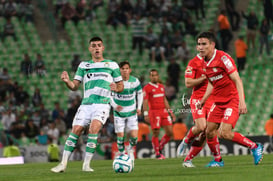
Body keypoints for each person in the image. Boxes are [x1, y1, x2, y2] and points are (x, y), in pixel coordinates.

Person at [51, 36, 124, 173]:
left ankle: (86, 165)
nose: (96, 48)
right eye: (94, 45)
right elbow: (74, 86)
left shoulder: (112, 65)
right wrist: (67, 81)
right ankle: (63, 164)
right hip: (86, 104)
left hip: (102, 104)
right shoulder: (84, 65)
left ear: (103, 48)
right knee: (76, 130)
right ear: (90, 49)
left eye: (99, 45)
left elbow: (121, 86)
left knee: (93, 129)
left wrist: (116, 88)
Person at [196, 31, 263, 166]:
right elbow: (211, 82)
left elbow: (237, 79)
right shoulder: (203, 62)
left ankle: (255, 147)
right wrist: (203, 100)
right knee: (209, 131)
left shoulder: (223, 58)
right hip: (218, 101)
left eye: (204, 44)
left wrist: (241, 102)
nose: (201, 47)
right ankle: (218, 160)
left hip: (232, 99)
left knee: (225, 133)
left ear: (212, 44)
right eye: (198, 44)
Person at [176, 52, 216, 168]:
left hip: (212, 99)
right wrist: (203, 78)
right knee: (201, 127)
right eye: (200, 44)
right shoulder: (193, 62)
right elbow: (188, 83)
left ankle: (188, 159)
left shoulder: (214, 61)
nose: (203, 48)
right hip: (198, 99)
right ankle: (186, 141)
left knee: (206, 132)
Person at [111, 61, 143, 161]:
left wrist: (139, 107)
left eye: (126, 68)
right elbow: (109, 95)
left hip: (132, 112)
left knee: (134, 137)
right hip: (119, 113)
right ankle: (122, 154)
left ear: (130, 70)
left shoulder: (135, 81)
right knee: (120, 137)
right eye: (122, 69)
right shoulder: (114, 82)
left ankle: (129, 149)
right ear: (119, 70)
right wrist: (115, 106)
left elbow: (140, 93)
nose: (125, 71)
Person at [143, 69, 176, 159]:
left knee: (170, 132)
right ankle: (157, 153)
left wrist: (171, 112)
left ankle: (160, 147)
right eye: (152, 75)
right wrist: (145, 114)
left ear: (158, 76)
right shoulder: (147, 88)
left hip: (163, 112)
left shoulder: (161, 86)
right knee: (156, 132)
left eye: (156, 75)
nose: (154, 77)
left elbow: (164, 100)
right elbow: (145, 101)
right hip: (154, 112)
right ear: (150, 77)